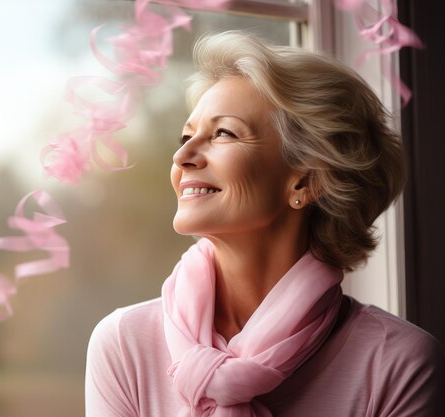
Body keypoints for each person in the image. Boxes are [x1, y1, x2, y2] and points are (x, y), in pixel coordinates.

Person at [84, 31, 444, 417]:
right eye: (186, 135)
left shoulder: (398, 364)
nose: (183, 155)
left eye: (223, 133)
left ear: (307, 181)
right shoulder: (124, 344)